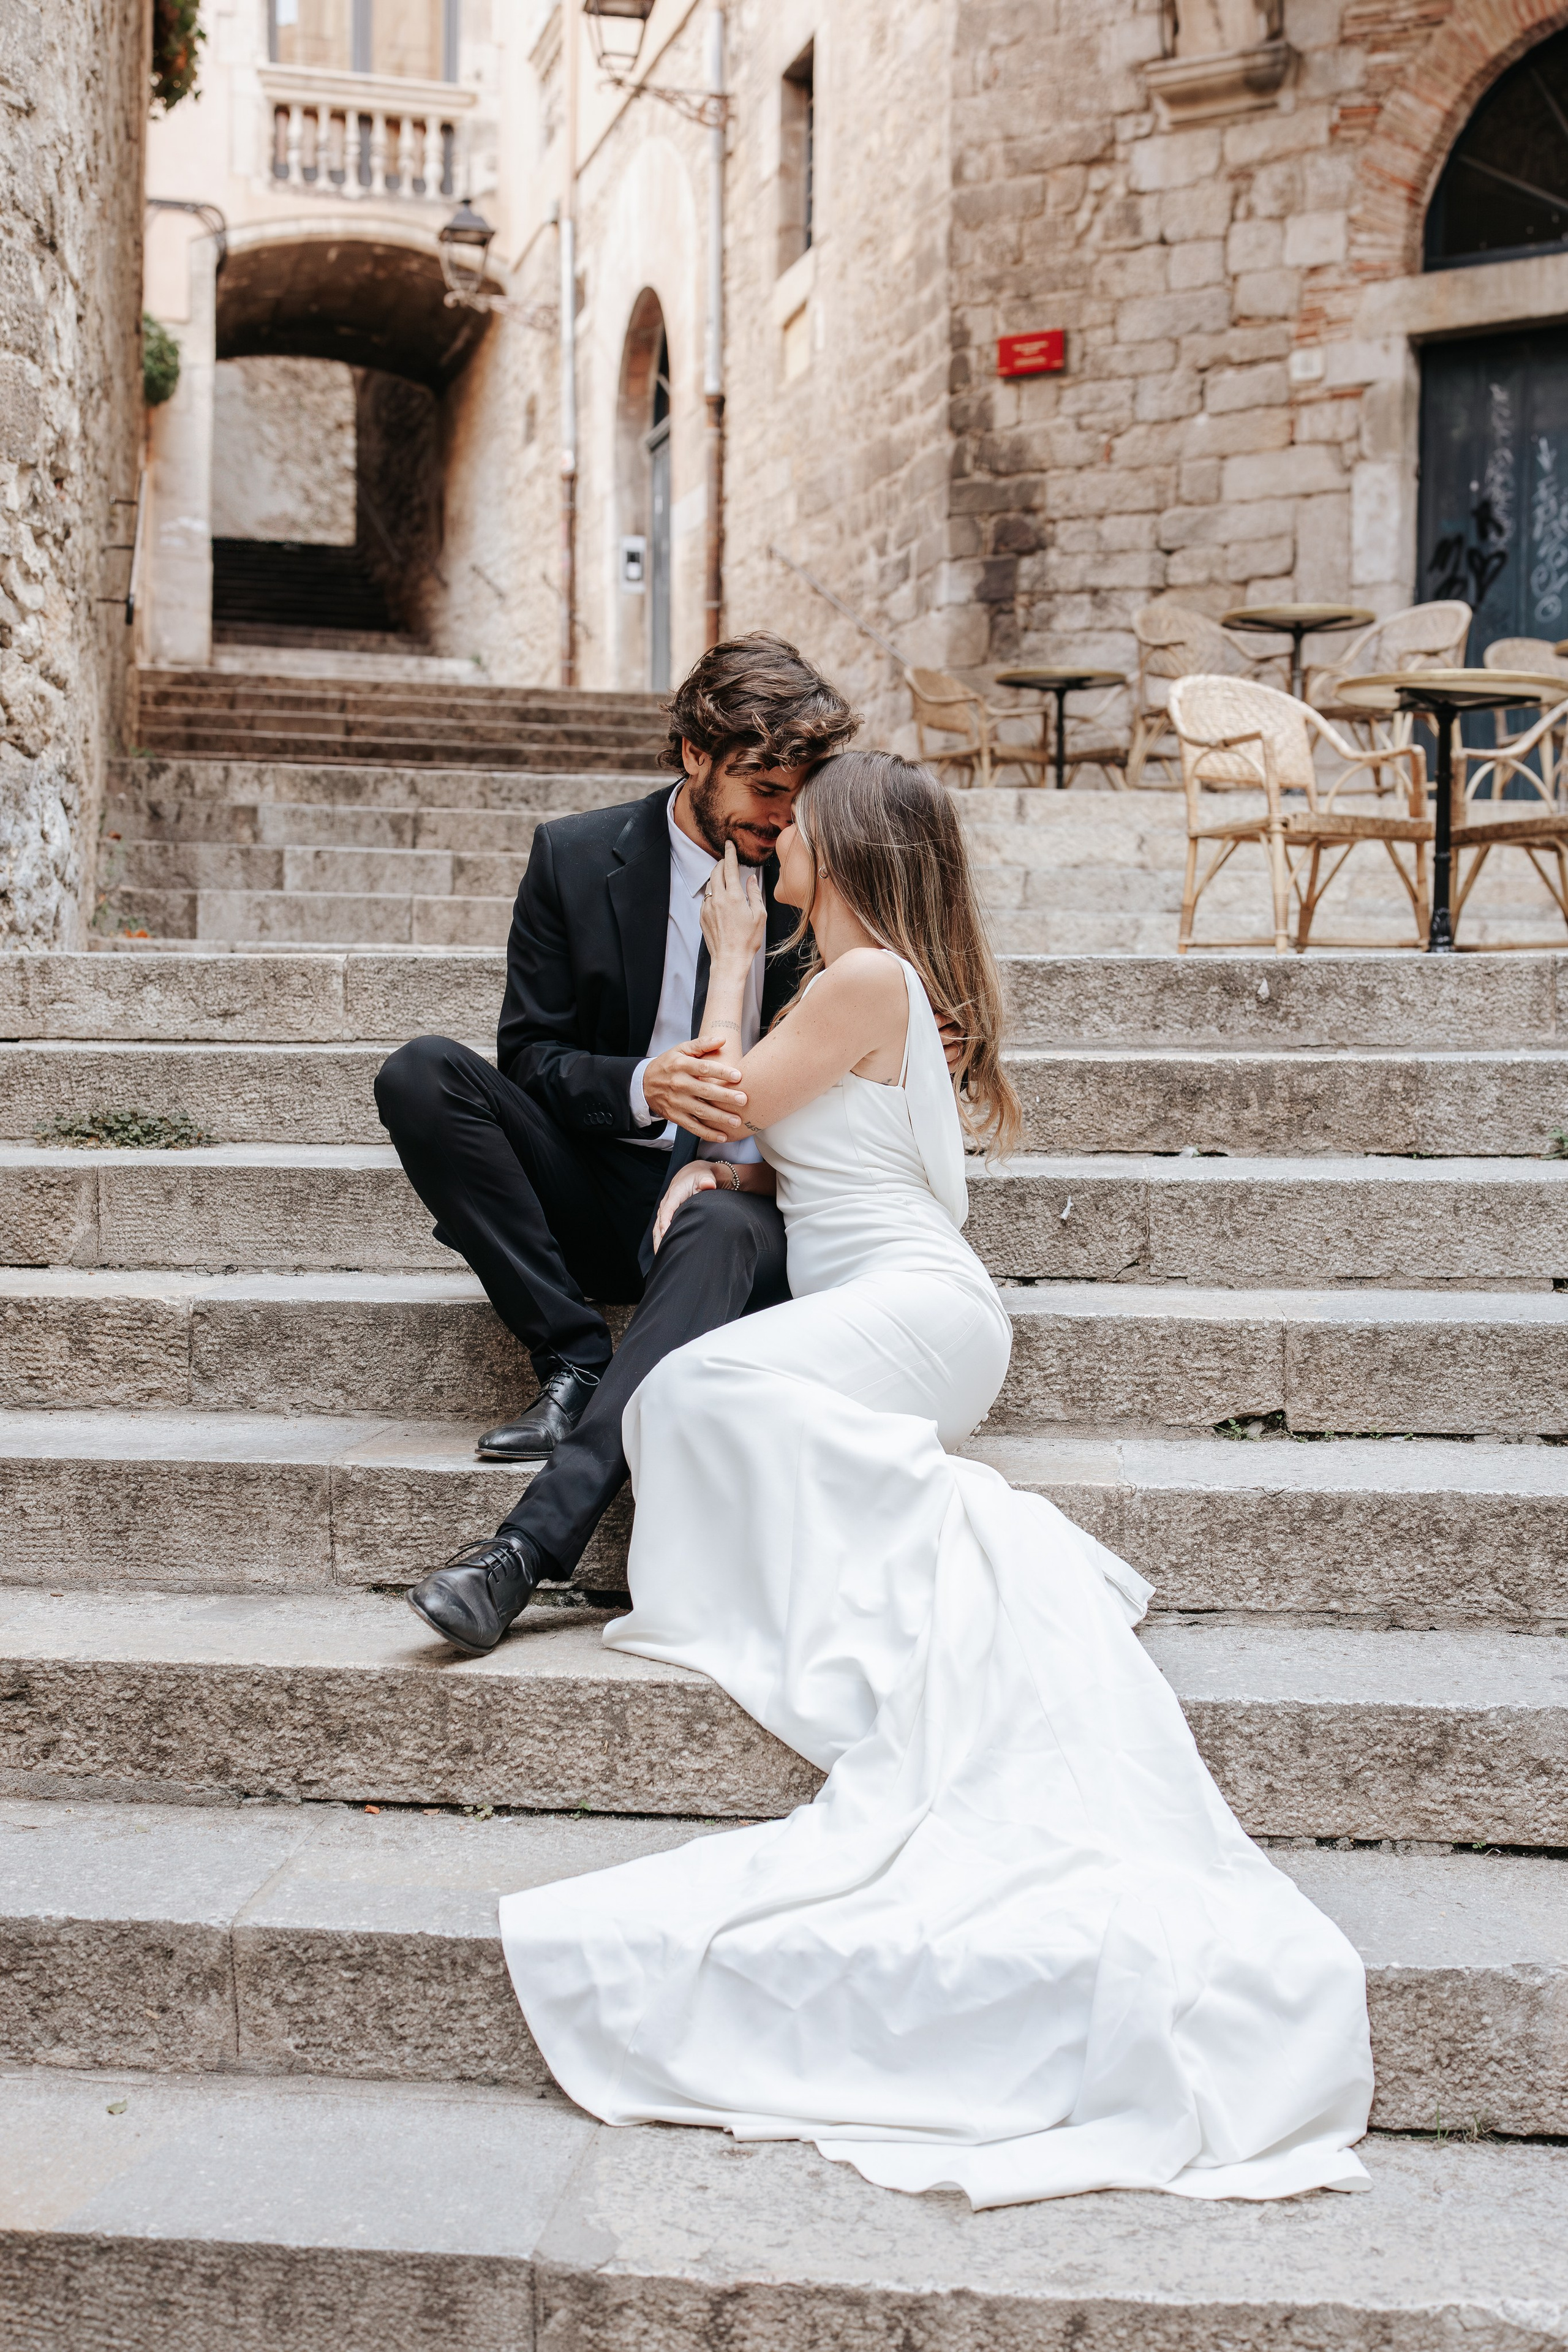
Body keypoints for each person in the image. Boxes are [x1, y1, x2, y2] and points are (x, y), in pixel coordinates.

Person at [497, 749, 1374, 2210]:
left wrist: (720, 970)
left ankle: (960, 1537)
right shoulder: (865, 993)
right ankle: (898, 1549)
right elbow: (795, 1151)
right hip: (895, 1306)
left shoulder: (858, 981)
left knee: (701, 1388)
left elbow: (714, 1098)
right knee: (707, 1398)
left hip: (918, 1309)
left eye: (799, 828)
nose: (773, 842)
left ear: (838, 849)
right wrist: (738, 1182)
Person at [374, 633, 854, 1654]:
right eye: (763, 785)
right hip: (601, 1183)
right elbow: (529, 1057)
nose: (781, 813)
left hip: (737, 1207)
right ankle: (573, 1358)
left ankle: (522, 1549)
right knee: (422, 1072)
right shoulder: (576, 855)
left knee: (720, 1211)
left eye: (798, 788)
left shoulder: (819, 881)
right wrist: (644, 1083)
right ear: (693, 753)